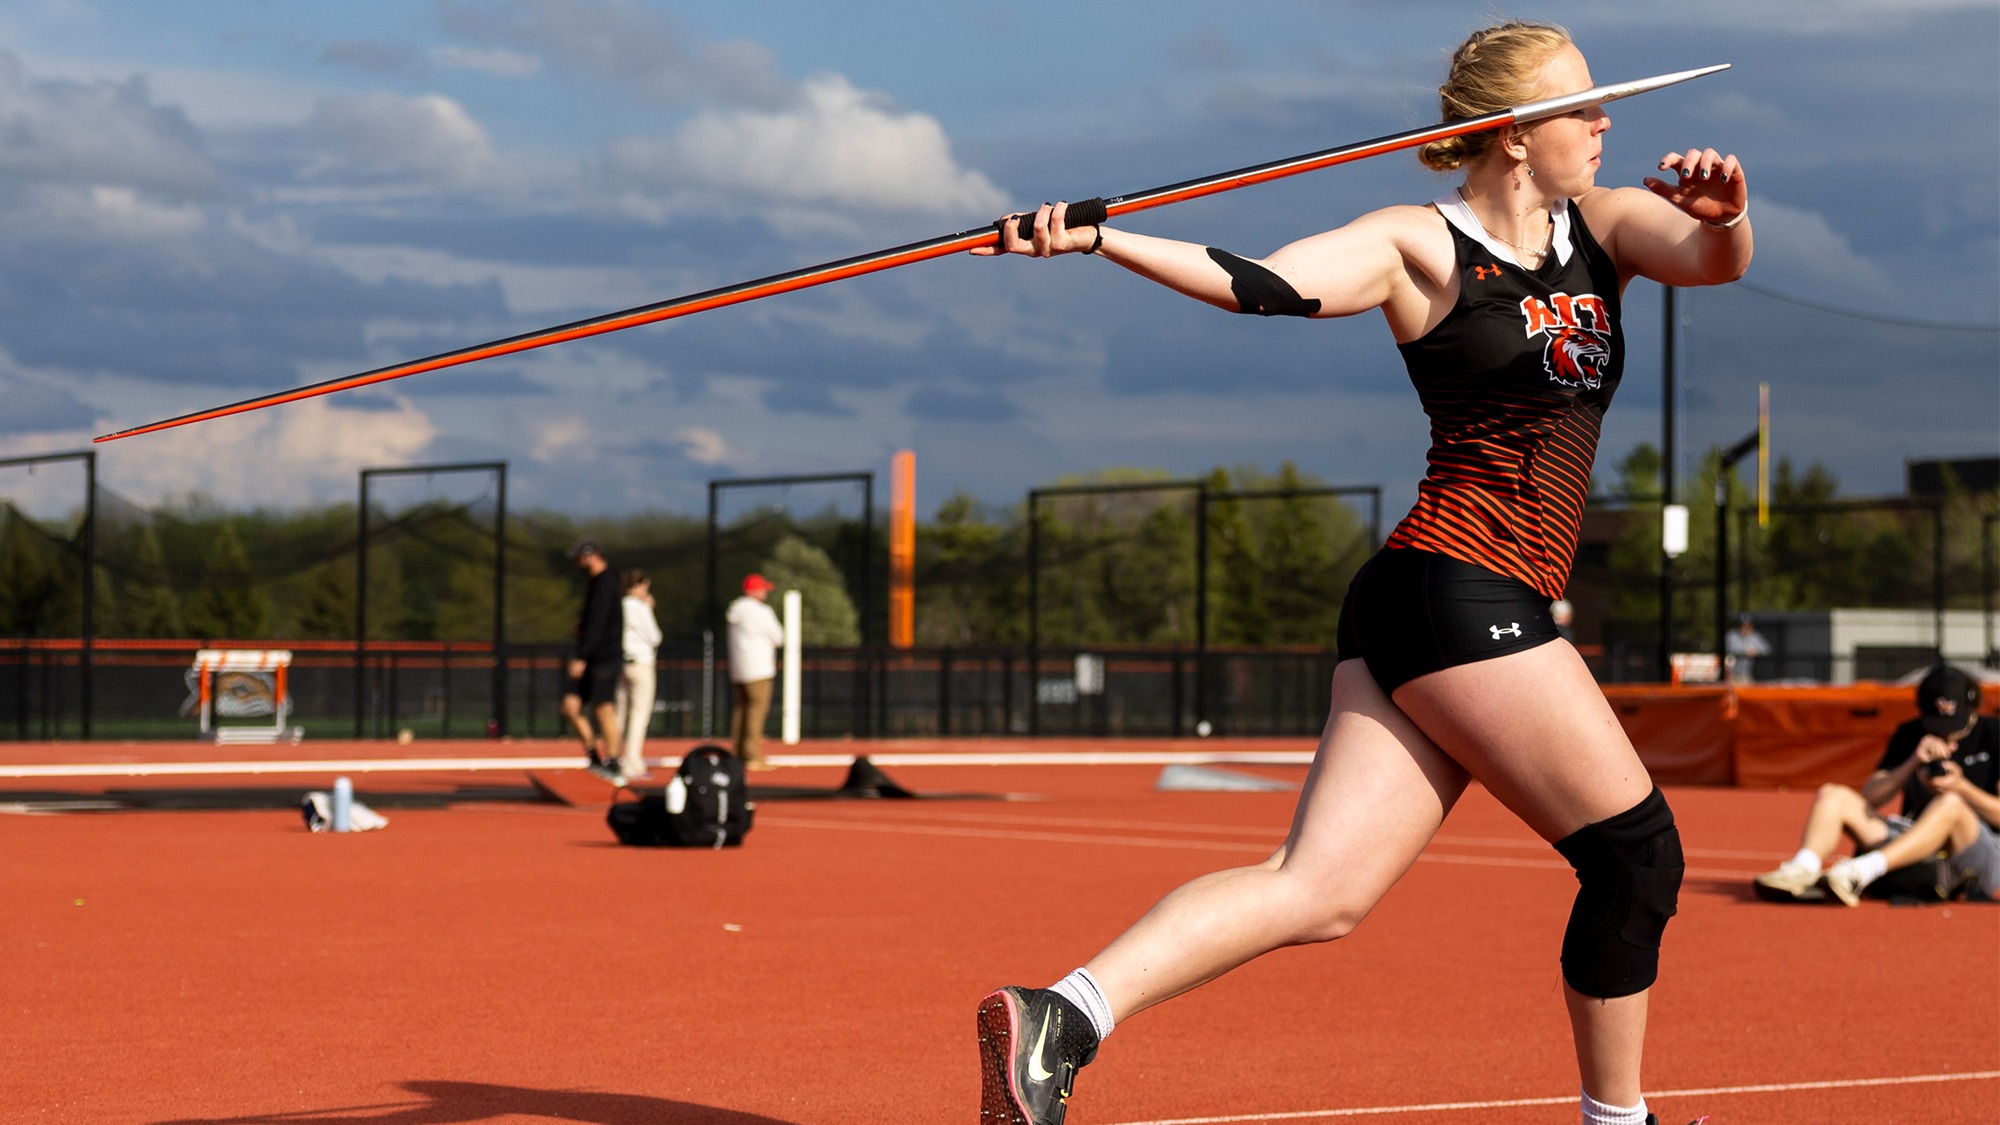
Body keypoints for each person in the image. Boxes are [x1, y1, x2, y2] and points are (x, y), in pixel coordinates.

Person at [972, 20, 1749, 1125]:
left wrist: (1730, 218)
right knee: (1634, 856)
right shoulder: (1416, 244)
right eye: (1583, 105)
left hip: (1433, 600)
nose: (1604, 121)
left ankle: (1063, 1015)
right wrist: (1105, 239)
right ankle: (1617, 1121)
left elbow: (1710, 260)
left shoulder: (1608, 225)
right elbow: (1267, 286)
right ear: (1512, 135)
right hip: (1455, 590)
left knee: (1318, 892)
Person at [1754, 664, 1999, 906]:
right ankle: (1802, 869)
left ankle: (1860, 872)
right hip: (1916, 841)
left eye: (1953, 725)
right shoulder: (1911, 733)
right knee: (1833, 795)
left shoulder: (1994, 732)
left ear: (1972, 708)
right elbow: (1870, 798)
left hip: (1979, 850)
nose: (1945, 734)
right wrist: (1912, 762)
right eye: (1937, 724)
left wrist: (1961, 787)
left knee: (1950, 804)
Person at [561, 541, 624, 781]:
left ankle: (614, 762)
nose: (577, 563)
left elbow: (598, 624)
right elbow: (593, 622)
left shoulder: (607, 582)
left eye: (580, 558)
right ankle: (594, 757)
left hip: (604, 657)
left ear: (592, 556)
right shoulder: (595, 583)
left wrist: (582, 656)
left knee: (603, 708)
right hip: (590, 656)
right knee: (570, 707)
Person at [725, 573, 784, 771]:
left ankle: (739, 753)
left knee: (740, 711)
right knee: (755, 712)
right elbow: (778, 636)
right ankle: (752, 756)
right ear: (755, 591)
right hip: (759, 669)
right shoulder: (761, 612)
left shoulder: (735, 609)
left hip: (738, 669)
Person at [613, 568, 663, 782]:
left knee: (619, 715)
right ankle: (632, 763)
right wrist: (648, 609)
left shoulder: (618, 606)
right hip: (641, 663)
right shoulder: (638, 607)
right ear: (640, 585)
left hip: (621, 662)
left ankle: (612, 758)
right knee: (638, 715)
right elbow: (655, 636)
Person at [1724, 614, 1770, 684]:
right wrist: (1745, 651)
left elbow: (1767, 650)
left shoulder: (1755, 637)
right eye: (1743, 625)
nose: (1745, 627)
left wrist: (1756, 651)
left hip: (1747, 675)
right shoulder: (1732, 636)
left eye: (1748, 625)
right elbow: (1728, 651)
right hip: (1731, 675)